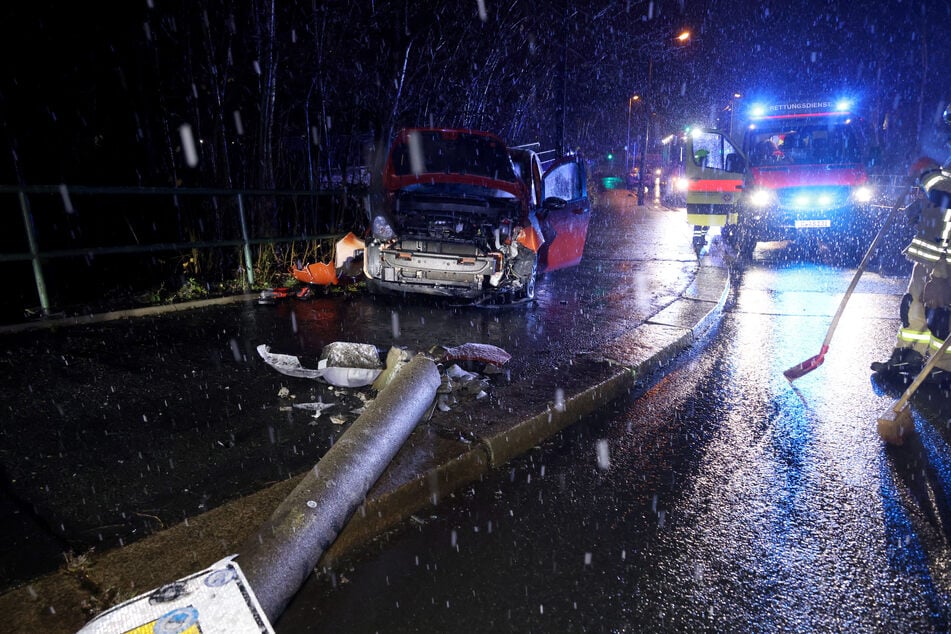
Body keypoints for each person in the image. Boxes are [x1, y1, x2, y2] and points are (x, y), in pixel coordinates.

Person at [872, 106, 951, 383]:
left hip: (945, 260)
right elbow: (943, 202)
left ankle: (943, 370)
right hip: (932, 255)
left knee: (940, 315)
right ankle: (909, 354)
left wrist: (943, 278)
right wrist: (923, 207)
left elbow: (946, 195)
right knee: (913, 306)